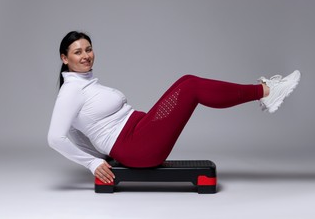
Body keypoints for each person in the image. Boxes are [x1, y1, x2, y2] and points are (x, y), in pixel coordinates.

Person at [48, 31, 301, 184]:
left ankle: (265, 92)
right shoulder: (71, 90)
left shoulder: (84, 84)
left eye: (89, 49)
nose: (86, 56)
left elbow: (74, 131)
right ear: (64, 58)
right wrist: (92, 163)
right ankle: (266, 92)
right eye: (78, 52)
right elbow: (56, 137)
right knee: (191, 87)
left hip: (139, 134)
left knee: (186, 81)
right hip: (137, 146)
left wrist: (102, 157)